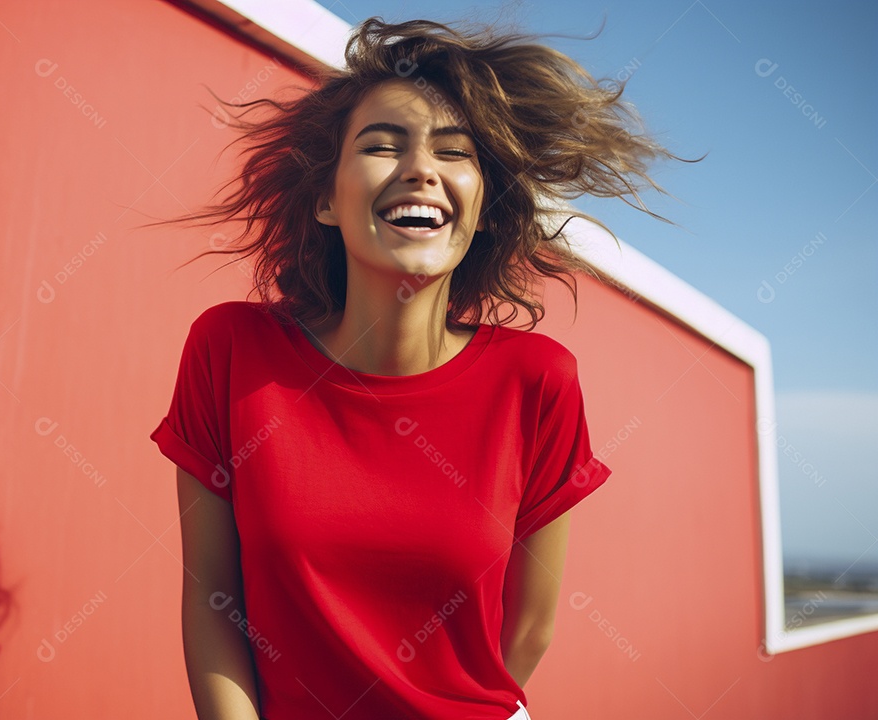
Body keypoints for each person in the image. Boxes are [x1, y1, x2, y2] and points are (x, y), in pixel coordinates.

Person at [147, 15, 698, 720]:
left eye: (454, 152)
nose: (420, 169)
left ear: (482, 209)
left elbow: (528, 630)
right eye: (382, 145)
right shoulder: (230, 352)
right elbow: (212, 601)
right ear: (326, 199)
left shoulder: (538, 381)